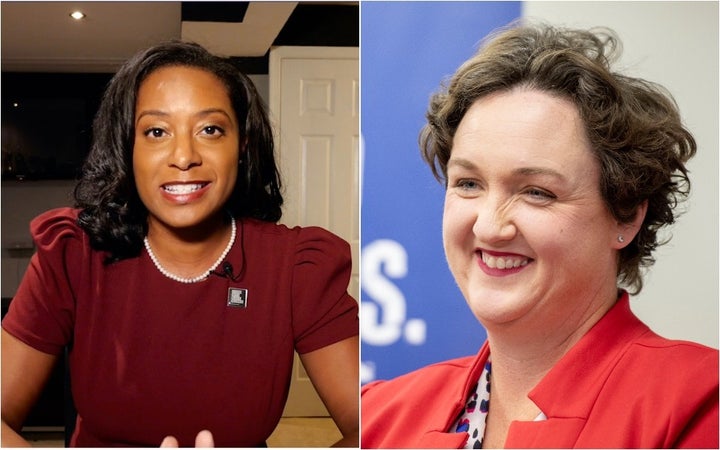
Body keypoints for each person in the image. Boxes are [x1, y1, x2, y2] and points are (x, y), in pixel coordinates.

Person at [361, 23, 718, 449]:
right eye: (468, 183)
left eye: (537, 192)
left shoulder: (698, 404)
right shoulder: (379, 414)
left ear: (626, 216)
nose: (490, 226)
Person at [1, 41, 359, 447]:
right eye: (156, 131)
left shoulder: (296, 267)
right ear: (127, 147)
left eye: (210, 129)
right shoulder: (72, 253)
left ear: (241, 145)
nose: (184, 156)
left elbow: (371, 427)